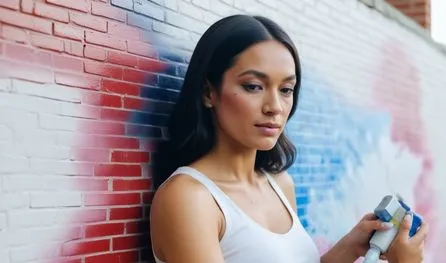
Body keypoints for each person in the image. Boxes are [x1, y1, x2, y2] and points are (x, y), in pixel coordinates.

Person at [149, 14, 428, 263]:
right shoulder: (190, 198)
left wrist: (351, 248)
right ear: (208, 93)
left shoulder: (280, 185)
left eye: (286, 89)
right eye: (253, 86)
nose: (275, 107)